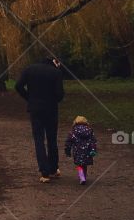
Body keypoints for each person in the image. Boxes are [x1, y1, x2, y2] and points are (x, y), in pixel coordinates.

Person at [14, 55, 65, 183]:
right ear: (54, 62)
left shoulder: (29, 69)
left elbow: (18, 86)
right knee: (52, 138)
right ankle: (54, 168)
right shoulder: (56, 73)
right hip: (51, 109)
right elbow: (60, 94)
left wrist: (29, 98)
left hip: (35, 109)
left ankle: (44, 172)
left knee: (38, 139)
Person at [64, 115, 98, 185]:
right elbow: (93, 141)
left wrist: (67, 151)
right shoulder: (90, 131)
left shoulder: (73, 132)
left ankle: (82, 178)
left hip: (77, 151)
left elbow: (68, 142)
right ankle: (84, 176)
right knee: (84, 165)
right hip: (87, 151)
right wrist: (93, 150)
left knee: (79, 165)